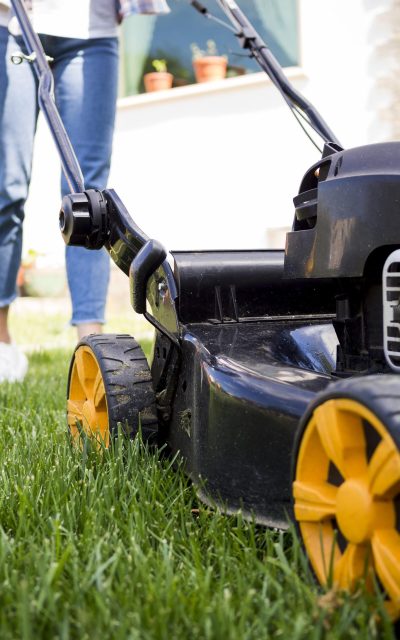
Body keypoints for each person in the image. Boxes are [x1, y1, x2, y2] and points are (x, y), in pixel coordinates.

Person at [0, 0, 170, 383]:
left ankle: (91, 343)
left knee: (88, 192)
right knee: (6, 184)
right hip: (10, 24)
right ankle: (1, 339)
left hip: (90, 29)